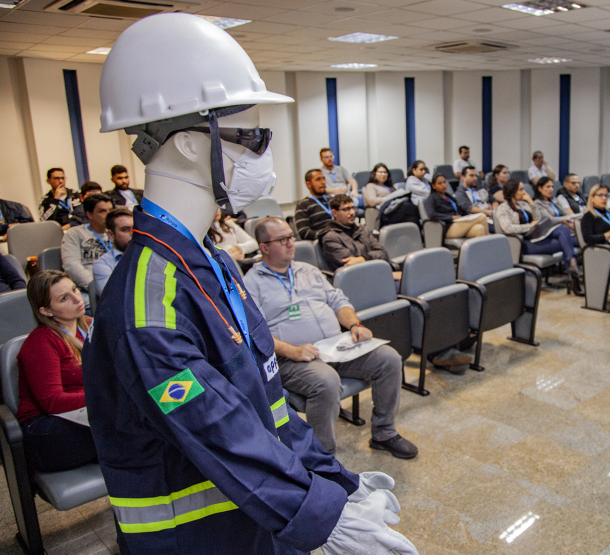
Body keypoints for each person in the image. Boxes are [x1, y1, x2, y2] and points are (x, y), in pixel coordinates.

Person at [83, 14, 414, 554]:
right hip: (198, 539)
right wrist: (324, 518)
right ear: (191, 143)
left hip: (256, 520)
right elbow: (219, 428)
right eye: (254, 137)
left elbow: (268, 408)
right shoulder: (149, 303)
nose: (265, 155)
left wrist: (335, 483)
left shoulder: (210, 263)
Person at [245, 217, 416, 458]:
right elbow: (254, 333)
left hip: (334, 347)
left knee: (389, 359)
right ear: (263, 247)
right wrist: (293, 351)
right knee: (326, 381)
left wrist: (354, 324)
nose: (290, 244)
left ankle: (384, 433)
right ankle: (323, 457)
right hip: (292, 358)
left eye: (291, 237)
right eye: (282, 240)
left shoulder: (308, 270)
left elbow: (338, 301)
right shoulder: (251, 284)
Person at [16, 270, 98, 472]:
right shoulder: (41, 342)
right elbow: (52, 401)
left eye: (74, 289)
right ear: (46, 311)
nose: (77, 298)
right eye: (64, 298)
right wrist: (103, 396)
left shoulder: (90, 325)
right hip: (47, 427)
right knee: (129, 428)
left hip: (87, 413)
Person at [494, 179, 582, 295]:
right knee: (566, 242)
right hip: (523, 244)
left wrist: (531, 202)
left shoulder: (523, 204)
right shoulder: (503, 208)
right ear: (512, 191)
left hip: (535, 237)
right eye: (521, 189)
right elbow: (508, 228)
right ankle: (573, 273)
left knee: (563, 230)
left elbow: (538, 219)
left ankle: (572, 268)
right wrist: (528, 226)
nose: (524, 192)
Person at [319, 194, 398, 276]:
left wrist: (363, 258)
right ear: (334, 213)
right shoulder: (330, 238)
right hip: (356, 280)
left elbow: (383, 253)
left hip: (377, 273)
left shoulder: (362, 230)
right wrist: (370, 258)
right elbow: (354, 266)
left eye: (352, 208)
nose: (352, 212)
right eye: (346, 209)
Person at [60, 192, 113, 295]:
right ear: (90, 214)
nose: (109, 215)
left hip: (115, 285)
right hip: (89, 289)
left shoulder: (115, 233)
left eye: (110, 210)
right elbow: (72, 266)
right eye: (102, 211)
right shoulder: (75, 234)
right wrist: (96, 286)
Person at [424, 174, 488, 239]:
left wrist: (467, 216)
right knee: (482, 217)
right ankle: (490, 247)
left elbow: (459, 209)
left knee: (480, 228)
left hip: (458, 223)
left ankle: (481, 249)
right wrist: (451, 217)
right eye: (439, 183)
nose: (443, 185)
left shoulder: (449, 196)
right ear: (434, 186)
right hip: (448, 227)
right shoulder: (431, 198)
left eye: (444, 182)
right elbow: (432, 215)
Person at [92, 207, 133, 295]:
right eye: (125, 229)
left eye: (135, 229)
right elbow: (113, 299)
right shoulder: (102, 265)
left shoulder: (151, 256)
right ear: (111, 235)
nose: (132, 234)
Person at [0, 174, 34, 240]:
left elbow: (30, 225)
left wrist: (13, 233)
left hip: (17, 239)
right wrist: (7, 227)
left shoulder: (15, 206)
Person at [295, 169, 334, 241]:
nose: (323, 182)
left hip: (339, 238)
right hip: (323, 241)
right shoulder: (303, 205)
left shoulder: (331, 200)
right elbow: (304, 232)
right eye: (318, 179)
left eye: (323, 179)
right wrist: (326, 235)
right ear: (309, 184)